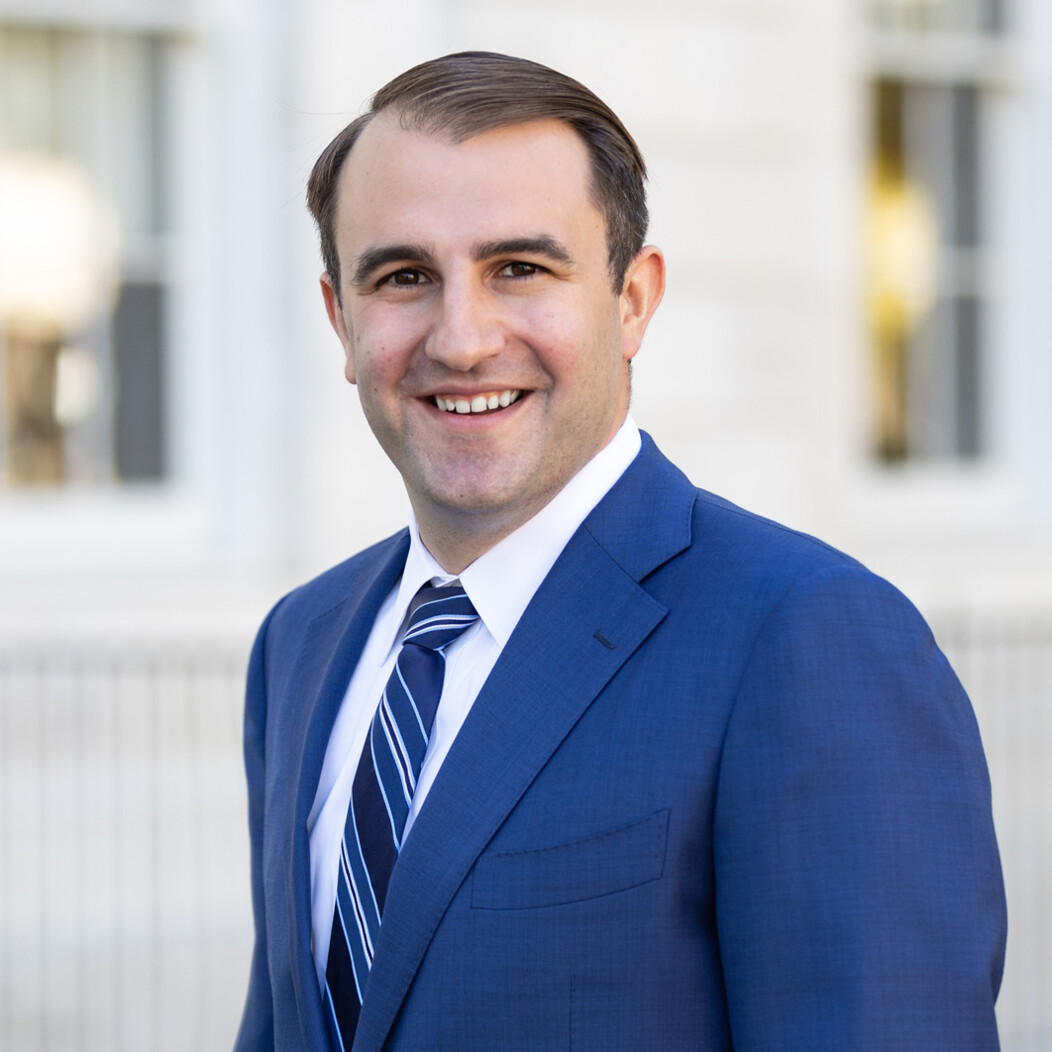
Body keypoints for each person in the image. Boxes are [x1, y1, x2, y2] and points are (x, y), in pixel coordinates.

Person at [235, 51, 1006, 1052]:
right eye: (403, 276)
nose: (461, 339)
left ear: (633, 299)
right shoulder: (302, 641)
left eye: (519, 267)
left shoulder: (806, 635)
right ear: (341, 319)